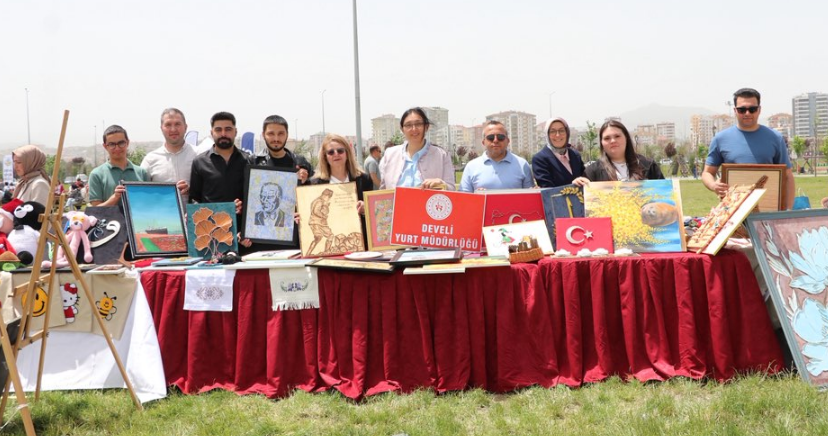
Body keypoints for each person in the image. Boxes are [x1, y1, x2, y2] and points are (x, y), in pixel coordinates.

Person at [703, 88, 795, 209]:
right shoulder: (720, 139)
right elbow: (707, 172)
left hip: (769, 210)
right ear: (735, 110)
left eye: (752, 109)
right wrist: (713, 185)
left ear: (759, 110)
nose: (747, 113)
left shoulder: (775, 138)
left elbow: (787, 176)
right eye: (742, 110)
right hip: (733, 211)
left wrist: (788, 210)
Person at [311, 134, 374, 248]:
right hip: (329, 244)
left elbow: (375, 214)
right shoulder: (314, 184)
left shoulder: (364, 180)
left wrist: (366, 209)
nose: (336, 154)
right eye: (331, 152)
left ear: (347, 153)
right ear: (325, 157)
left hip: (359, 244)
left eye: (340, 151)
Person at [379, 107, 455, 190]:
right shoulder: (390, 155)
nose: (414, 129)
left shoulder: (442, 155)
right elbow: (383, 191)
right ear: (402, 129)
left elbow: (451, 189)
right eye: (408, 125)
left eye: (418, 124)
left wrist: (442, 184)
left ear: (426, 127)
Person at [189, 112, 252, 206]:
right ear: (212, 133)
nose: (223, 134)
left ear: (235, 132)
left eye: (228, 129)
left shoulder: (249, 161)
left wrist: (243, 206)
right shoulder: (199, 162)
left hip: (240, 216)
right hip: (210, 215)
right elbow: (194, 198)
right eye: (218, 130)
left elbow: (254, 196)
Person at [459, 120, 534, 192]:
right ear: (483, 142)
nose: (495, 140)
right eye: (490, 137)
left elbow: (530, 197)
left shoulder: (522, 165)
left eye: (500, 137)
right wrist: (477, 196)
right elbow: (464, 198)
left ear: (508, 141)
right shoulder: (471, 167)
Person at [140, 108, 197, 201]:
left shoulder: (199, 155)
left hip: (195, 210)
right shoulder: (150, 160)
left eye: (177, 124)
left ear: (186, 127)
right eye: (168, 125)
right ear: (161, 128)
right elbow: (141, 193)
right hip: (161, 210)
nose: (173, 129)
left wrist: (192, 190)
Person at [581, 120, 664, 182]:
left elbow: (664, 194)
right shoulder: (592, 172)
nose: (613, 141)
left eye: (617, 136)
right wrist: (577, 186)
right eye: (607, 138)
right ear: (601, 143)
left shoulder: (648, 166)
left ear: (626, 138)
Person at [88, 125, 149, 206]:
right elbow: (96, 208)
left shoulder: (142, 173)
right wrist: (115, 197)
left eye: (121, 143)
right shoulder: (96, 174)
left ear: (127, 143)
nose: (117, 148)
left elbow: (148, 203)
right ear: (105, 146)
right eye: (112, 144)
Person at [254, 115, 314, 186]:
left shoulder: (301, 163)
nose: (276, 139)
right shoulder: (253, 162)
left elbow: (316, 187)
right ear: (263, 135)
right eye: (271, 134)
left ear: (287, 135)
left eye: (280, 134)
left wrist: (306, 180)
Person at [531, 117, 586, 188]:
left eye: (561, 130)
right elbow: (547, 189)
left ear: (567, 133)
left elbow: (585, 180)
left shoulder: (575, 155)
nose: (557, 135)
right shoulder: (540, 159)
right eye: (552, 131)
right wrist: (572, 186)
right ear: (547, 134)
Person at [306, 188, 334, 255]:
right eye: (329, 197)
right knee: (324, 236)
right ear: (326, 195)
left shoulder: (318, 201)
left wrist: (326, 205)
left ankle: (309, 254)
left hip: (317, 223)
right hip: (317, 223)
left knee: (320, 238)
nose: (329, 199)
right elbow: (316, 211)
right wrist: (323, 216)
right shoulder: (319, 201)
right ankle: (326, 251)